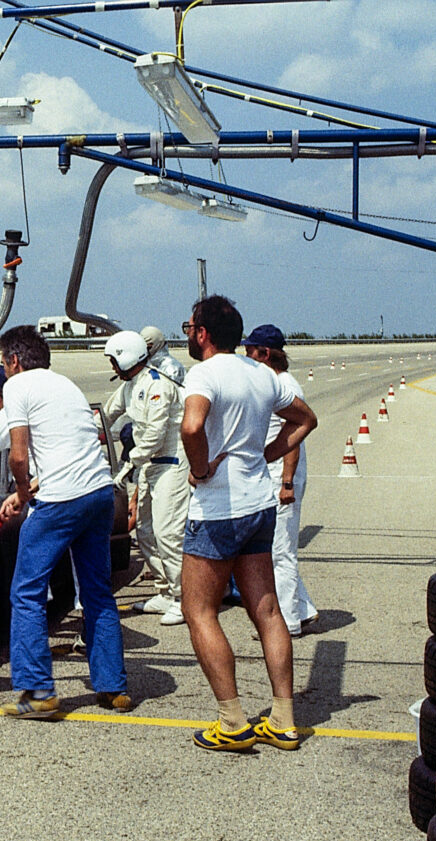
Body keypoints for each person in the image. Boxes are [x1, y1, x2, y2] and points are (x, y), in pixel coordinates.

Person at [179, 296, 317, 752]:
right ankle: (283, 717)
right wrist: (268, 455)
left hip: (218, 509)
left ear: (202, 333)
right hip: (260, 504)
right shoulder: (262, 373)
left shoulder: (204, 373)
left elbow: (192, 428)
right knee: (268, 610)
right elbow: (305, 419)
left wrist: (200, 471)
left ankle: (232, 719)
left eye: (190, 327)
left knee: (200, 612)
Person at [0, 325, 130, 718]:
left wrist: (21, 492)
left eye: (4, 363)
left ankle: (37, 693)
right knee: (98, 592)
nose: (5, 371)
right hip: (100, 493)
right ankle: (113, 687)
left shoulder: (17, 387)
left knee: (26, 593)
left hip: (60, 500)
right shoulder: (65, 385)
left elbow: (18, 456)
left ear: (14, 361)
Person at [103, 330, 190, 627]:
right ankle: (165, 591)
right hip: (149, 465)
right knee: (144, 532)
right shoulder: (130, 387)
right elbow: (106, 415)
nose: (113, 368)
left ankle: (184, 599)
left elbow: (154, 435)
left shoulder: (157, 385)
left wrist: (128, 465)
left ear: (127, 358)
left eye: (114, 361)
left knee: (168, 534)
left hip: (172, 465)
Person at [243, 324, 318, 637]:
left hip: (283, 477)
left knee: (281, 552)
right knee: (276, 547)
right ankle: (303, 610)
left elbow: (294, 436)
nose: (246, 356)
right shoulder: (272, 382)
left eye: (251, 351)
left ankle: (287, 623)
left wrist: (286, 482)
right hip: (274, 474)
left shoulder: (286, 384)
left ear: (266, 353)